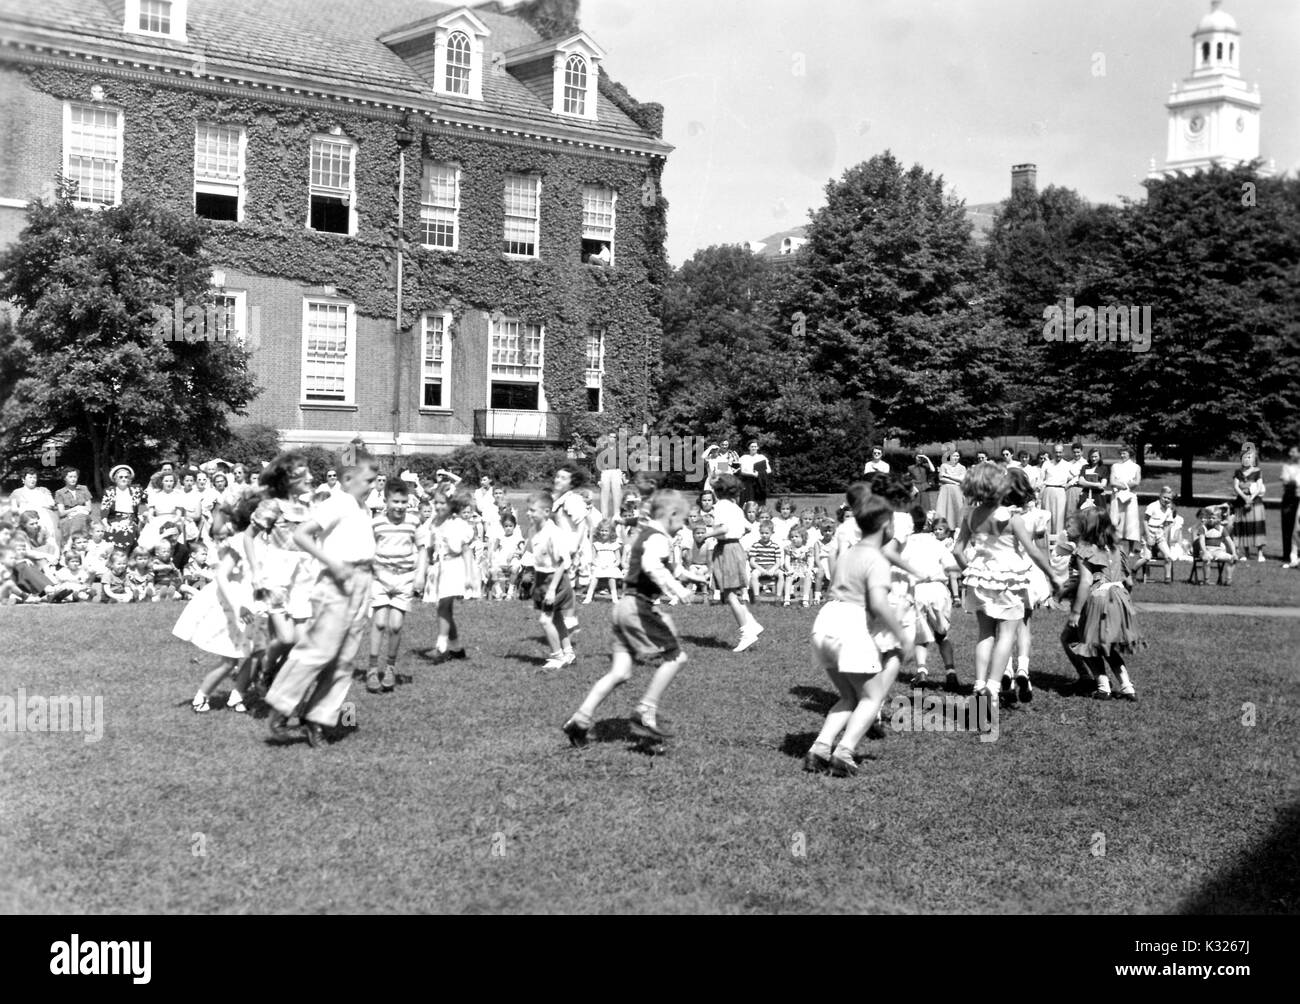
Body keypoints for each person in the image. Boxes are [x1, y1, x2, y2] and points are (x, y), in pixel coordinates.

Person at [562, 490, 703, 747]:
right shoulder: (658, 538)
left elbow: (665, 566)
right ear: (670, 515)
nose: (684, 525)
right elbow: (652, 566)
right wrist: (679, 591)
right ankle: (645, 709)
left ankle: (579, 721)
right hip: (638, 607)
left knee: (621, 672)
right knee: (676, 657)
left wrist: (689, 576)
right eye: (682, 519)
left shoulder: (650, 535)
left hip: (623, 607)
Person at [265, 460, 379, 748]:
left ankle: (318, 718)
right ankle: (281, 706)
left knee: (344, 659)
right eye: (368, 480)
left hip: (361, 582)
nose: (373, 485)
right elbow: (301, 534)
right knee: (318, 651)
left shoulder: (362, 507)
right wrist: (333, 563)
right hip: (337, 582)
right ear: (348, 478)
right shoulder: (337, 503)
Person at [804, 493, 915, 778]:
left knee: (849, 697)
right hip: (850, 625)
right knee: (873, 697)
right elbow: (876, 604)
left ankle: (819, 748)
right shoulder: (876, 559)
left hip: (825, 622)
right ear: (885, 526)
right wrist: (901, 633)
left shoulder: (849, 552)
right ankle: (844, 752)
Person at [953, 463, 1061, 710]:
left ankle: (978, 684)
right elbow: (1033, 551)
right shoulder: (1012, 520)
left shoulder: (970, 515)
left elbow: (957, 550)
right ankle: (991, 688)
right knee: (1007, 635)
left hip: (980, 578)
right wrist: (1052, 575)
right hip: (1009, 580)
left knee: (985, 634)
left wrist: (970, 570)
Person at [173, 497, 263, 714]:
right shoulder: (240, 541)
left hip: (254, 599)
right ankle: (201, 697)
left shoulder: (263, 540)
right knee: (230, 659)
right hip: (233, 601)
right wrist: (238, 606)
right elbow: (222, 576)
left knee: (256, 653)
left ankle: (238, 696)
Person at [1063, 508, 1140, 701]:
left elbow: (1085, 582)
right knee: (1109, 647)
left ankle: (1102, 685)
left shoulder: (1085, 550)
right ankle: (1127, 686)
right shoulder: (1118, 549)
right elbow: (1129, 582)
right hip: (1120, 598)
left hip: (1097, 600)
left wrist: (1075, 612)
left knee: (1087, 644)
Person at [366, 479, 420, 692]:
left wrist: (421, 574)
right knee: (379, 623)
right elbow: (369, 549)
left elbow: (423, 548)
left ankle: (390, 667)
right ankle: (372, 669)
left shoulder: (414, 522)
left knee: (396, 625)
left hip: (404, 578)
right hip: (380, 578)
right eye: (395, 501)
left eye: (403, 502)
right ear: (386, 501)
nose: (399, 506)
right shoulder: (376, 523)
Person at [702, 474, 763, 652]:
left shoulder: (720, 506)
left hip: (727, 548)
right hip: (736, 548)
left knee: (728, 593)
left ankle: (746, 632)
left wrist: (706, 533)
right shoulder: (735, 507)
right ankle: (751, 623)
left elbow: (723, 528)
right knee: (734, 590)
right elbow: (748, 527)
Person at [900, 511, 960, 690]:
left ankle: (922, 671)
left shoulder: (904, 544)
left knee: (921, 637)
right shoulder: (937, 543)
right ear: (927, 523)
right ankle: (950, 672)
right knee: (942, 635)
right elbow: (951, 567)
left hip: (916, 590)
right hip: (937, 588)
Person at [419, 490, 476, 665]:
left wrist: (469, 576)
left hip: (455, 566)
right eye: (435, 503)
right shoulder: (434, 522)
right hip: (440, 567)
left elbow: (466, 551)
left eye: (442, 503)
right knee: (445, 609)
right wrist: (423, 570)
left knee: (443, 605)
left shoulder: (458, 524)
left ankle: (441, 646)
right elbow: (428, 548)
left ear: (451, 504)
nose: (438, 506)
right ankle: (457, 649)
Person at [527, 491, 579, 672]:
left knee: (545, 620)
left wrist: (551, 589)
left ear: (546, 512)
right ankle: (568, 653)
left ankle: (557, 657)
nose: (529, 514)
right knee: (556, 618)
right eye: (529, 510)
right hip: (542, 578)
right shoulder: (533, 530)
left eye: (533, 510)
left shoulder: (554, 533)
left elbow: (564, 562)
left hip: (555, 580)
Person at [1232, 442, 1267, 562]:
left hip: (1255, 503)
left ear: (1253, 459)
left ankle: (1260, 553)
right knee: (1244, 527)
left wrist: (1250, 498)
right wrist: (1244, 497)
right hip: (1241, 503)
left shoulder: (1258, 471)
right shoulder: (1238, 472)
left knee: (1257, 527)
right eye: (1245, 457)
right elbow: (1236, 487)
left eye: (1250, 457)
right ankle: (1246, 553)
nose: (1247, 459)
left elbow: (1259, 487)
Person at [11, 467, 60, 553]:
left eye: (35, 477)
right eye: (30, 477)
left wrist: (31, 505)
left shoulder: (43, 490)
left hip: (44, 515)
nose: (33, 480)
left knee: (46, 525)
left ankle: (50, 550)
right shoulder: (17, 493)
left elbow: (51, 503)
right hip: (27, 517)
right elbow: (13, 508)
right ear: (23, 479)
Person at [1108, 446, 1142, 558]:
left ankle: (1131, 549)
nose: (1122, 455)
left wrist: (1123, 485)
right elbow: (1112, 481)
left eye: (1125, 453)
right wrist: (1124, 485)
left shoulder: (1136, 467)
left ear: (1129, 454)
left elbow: (1136, 481)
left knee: (1131, 522)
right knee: (1116, 520)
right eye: (1121, 453)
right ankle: (1115, 547)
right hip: (1117, 496)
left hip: (1130, 497)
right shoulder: (1115, 466)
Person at [1142, 486, 1177, 584]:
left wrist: (1164, 537)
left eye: (1169, 498)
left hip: (1159, 535)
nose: (1166, 500)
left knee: (1168, 556)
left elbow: (1167, 525)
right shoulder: (1152, 506)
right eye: (1165, 497)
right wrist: (1148, 536)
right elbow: (1145, 520)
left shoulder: (1169, 510)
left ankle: (1167, 578)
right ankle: (1135, 571)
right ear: (1160, 496)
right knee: (1146, 557)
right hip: (1149, 533)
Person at [584, 519, 623, 603]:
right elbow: (593, 558)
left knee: (611, 577)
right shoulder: (596, 545)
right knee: (595, 577)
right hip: (599, 565)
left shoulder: (614, 545)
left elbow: (618, 560)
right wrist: (597, 565)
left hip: (610, 566)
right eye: (602, 530)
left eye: (606, 531)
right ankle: (588, 597)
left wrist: (613, 565)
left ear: (611, 532)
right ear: (599, 531)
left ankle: (614, 597)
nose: (604, 533)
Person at [1040, 443, 1072, 542]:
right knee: (1047, 515)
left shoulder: (1067, 464)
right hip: (1048, 490)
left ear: (1063, 452)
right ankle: (1046, 540)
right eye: (1056, 452)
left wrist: (1069, 484)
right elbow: (1041, 479)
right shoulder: (1047, 464)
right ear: (1053, 452)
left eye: (1060, 452)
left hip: (1060, 491)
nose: (1058, 454)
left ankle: (1058, 542)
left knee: (1059, 516)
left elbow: (1077, 476)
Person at [746, 521, 783, 602]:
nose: (764, 535)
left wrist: (772, 570)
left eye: (767, 533)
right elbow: (752, 562)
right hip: (759, 567)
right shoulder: (755, 545)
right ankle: (756, 596)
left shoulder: (775, 546)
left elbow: (778, 562)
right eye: (762, 533)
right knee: (754, 574)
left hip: (772, 567)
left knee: (780, 574)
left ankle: (778, 597)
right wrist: (761, 570)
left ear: (772, 533)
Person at [54, 467, 93, 542]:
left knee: (80, 517)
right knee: (78, 519)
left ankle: (72, 542)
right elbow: (61, 513)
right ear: (65, 478)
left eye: (75, 477)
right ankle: (81, 540)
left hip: (83, 516)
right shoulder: (60, 493)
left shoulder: (83, 489)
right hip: (67, 519)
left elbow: (89, 509)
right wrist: (75, 509)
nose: (73, 479)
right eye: (70, 477)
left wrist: (79, 511)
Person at [782, 526, 815, 606]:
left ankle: (805, 598)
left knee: (808, 576)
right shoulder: (789, 548)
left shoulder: (807, 548)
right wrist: (790, 569)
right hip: (793, 567)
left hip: (804, 568)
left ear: (803, 537)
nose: (794, 538)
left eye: (796, 536)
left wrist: (809, 569)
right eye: (792, 537)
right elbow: (786, 561)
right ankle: (787, 598)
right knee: (789, 576)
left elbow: (810, 561)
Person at [935, 449, 966, 531]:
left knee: (958, 507)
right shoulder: (944, 466)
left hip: (957, 491)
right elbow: (941, 478)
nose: (956, 457)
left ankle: (958, 527)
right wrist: (955, 482)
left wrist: (947, 475)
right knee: (944, 508)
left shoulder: (962, 467)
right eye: (954, 455)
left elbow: (962, 480)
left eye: (957, 456)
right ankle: (944, 527)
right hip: (946, 491)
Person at [736, 441, 771, 508]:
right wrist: (752, 474)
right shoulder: (744, 457)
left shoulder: (762, 457)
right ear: (749, 448)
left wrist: (759, 473)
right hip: (747, 482)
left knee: (759, 502)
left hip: (759, 482)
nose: (753, 448)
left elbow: (769, 470)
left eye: (755, 446)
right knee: (747, 501)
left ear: (758, 447)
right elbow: (742, 471)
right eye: (752, 446)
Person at [1282, 445, 1300, 568]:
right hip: (1289, 498)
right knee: (1287, 525)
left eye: (1293, 452)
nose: (1290, 453)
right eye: (1290, 451)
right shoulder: (1286, 466)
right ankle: (1287, 553)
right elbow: (1287, 481)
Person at [1064, 442, 1086, 519]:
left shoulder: (1085, 463)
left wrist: (1070, 482)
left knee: (1082, 511)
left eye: (1078, 452)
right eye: (1074, 452)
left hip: (1081, 489)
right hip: (1070, 490)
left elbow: (1080, 476)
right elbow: (1067, 476)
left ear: (1082, 452)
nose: (1076, 454)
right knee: (1070, 511)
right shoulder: (1069, 463)